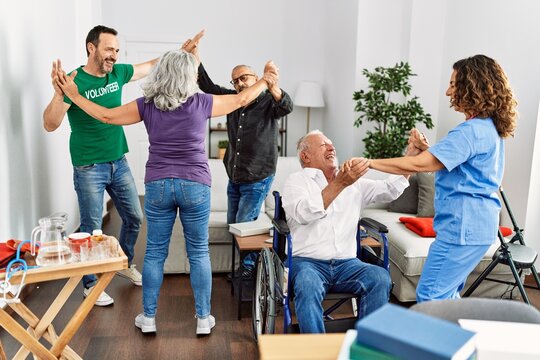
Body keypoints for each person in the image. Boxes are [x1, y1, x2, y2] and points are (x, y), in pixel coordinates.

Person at [55, 49, 278, 334]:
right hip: (195, 185)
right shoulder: (202, 102)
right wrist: (266, 78)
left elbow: (107, 116)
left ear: (162, 73)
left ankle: (148, 318)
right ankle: (202, 319)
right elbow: (243, 98)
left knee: (154, 254)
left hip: (158, 185)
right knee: (199, 253)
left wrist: (74, 95)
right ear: (189, 76)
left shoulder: (147, 105)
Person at [368, 54, 518, 302]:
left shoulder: (470, 131)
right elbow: (460, 169)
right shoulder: (487, 127)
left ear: (470, 86)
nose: (448, 92)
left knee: (430, 296)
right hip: (478, 228)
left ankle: (439, 340)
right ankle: (458, 339)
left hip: (462, 229)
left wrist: (369, 162)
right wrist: (429, 151)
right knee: (447, 296)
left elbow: (418, 165)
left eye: (452, 84)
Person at [42, 25, 162, 306]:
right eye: (109, 49)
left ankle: (122, 263)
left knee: (134, 217)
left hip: (118, 160)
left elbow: (151, 66)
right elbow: (50, 124)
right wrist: (61, 95)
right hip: (88, 166)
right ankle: (90, 284)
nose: (114, 55)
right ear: (91, 48)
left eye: (117, 51)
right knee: (92, 227)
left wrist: (183, 51)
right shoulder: (73, 81)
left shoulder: (118, 72)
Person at [281, 130, 414, 333]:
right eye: (323, 144)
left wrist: (411, 155)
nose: (331, 147)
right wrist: (340, 183)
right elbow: (303, 214)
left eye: (331, 143)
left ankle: (366, 346)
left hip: (347, 264)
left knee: (379, 278)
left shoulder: (355, 184)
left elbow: (390, 189)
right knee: (307, 284)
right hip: (307, 263)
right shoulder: (296, 181)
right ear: (305, 156)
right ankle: (316, 351)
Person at [183, 35, 293, 276]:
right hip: (235, 175)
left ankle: (250, 272)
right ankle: (245, 268)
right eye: (235, 81)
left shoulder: (268, 102)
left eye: (244, 78)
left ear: (255, 79)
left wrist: (272, 84)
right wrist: (195, 54)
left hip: (257, 177)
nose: (240, 84)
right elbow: (207, 85)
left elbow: (286, 106)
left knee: (244, 226)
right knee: (234, 225)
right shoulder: (232, 101)